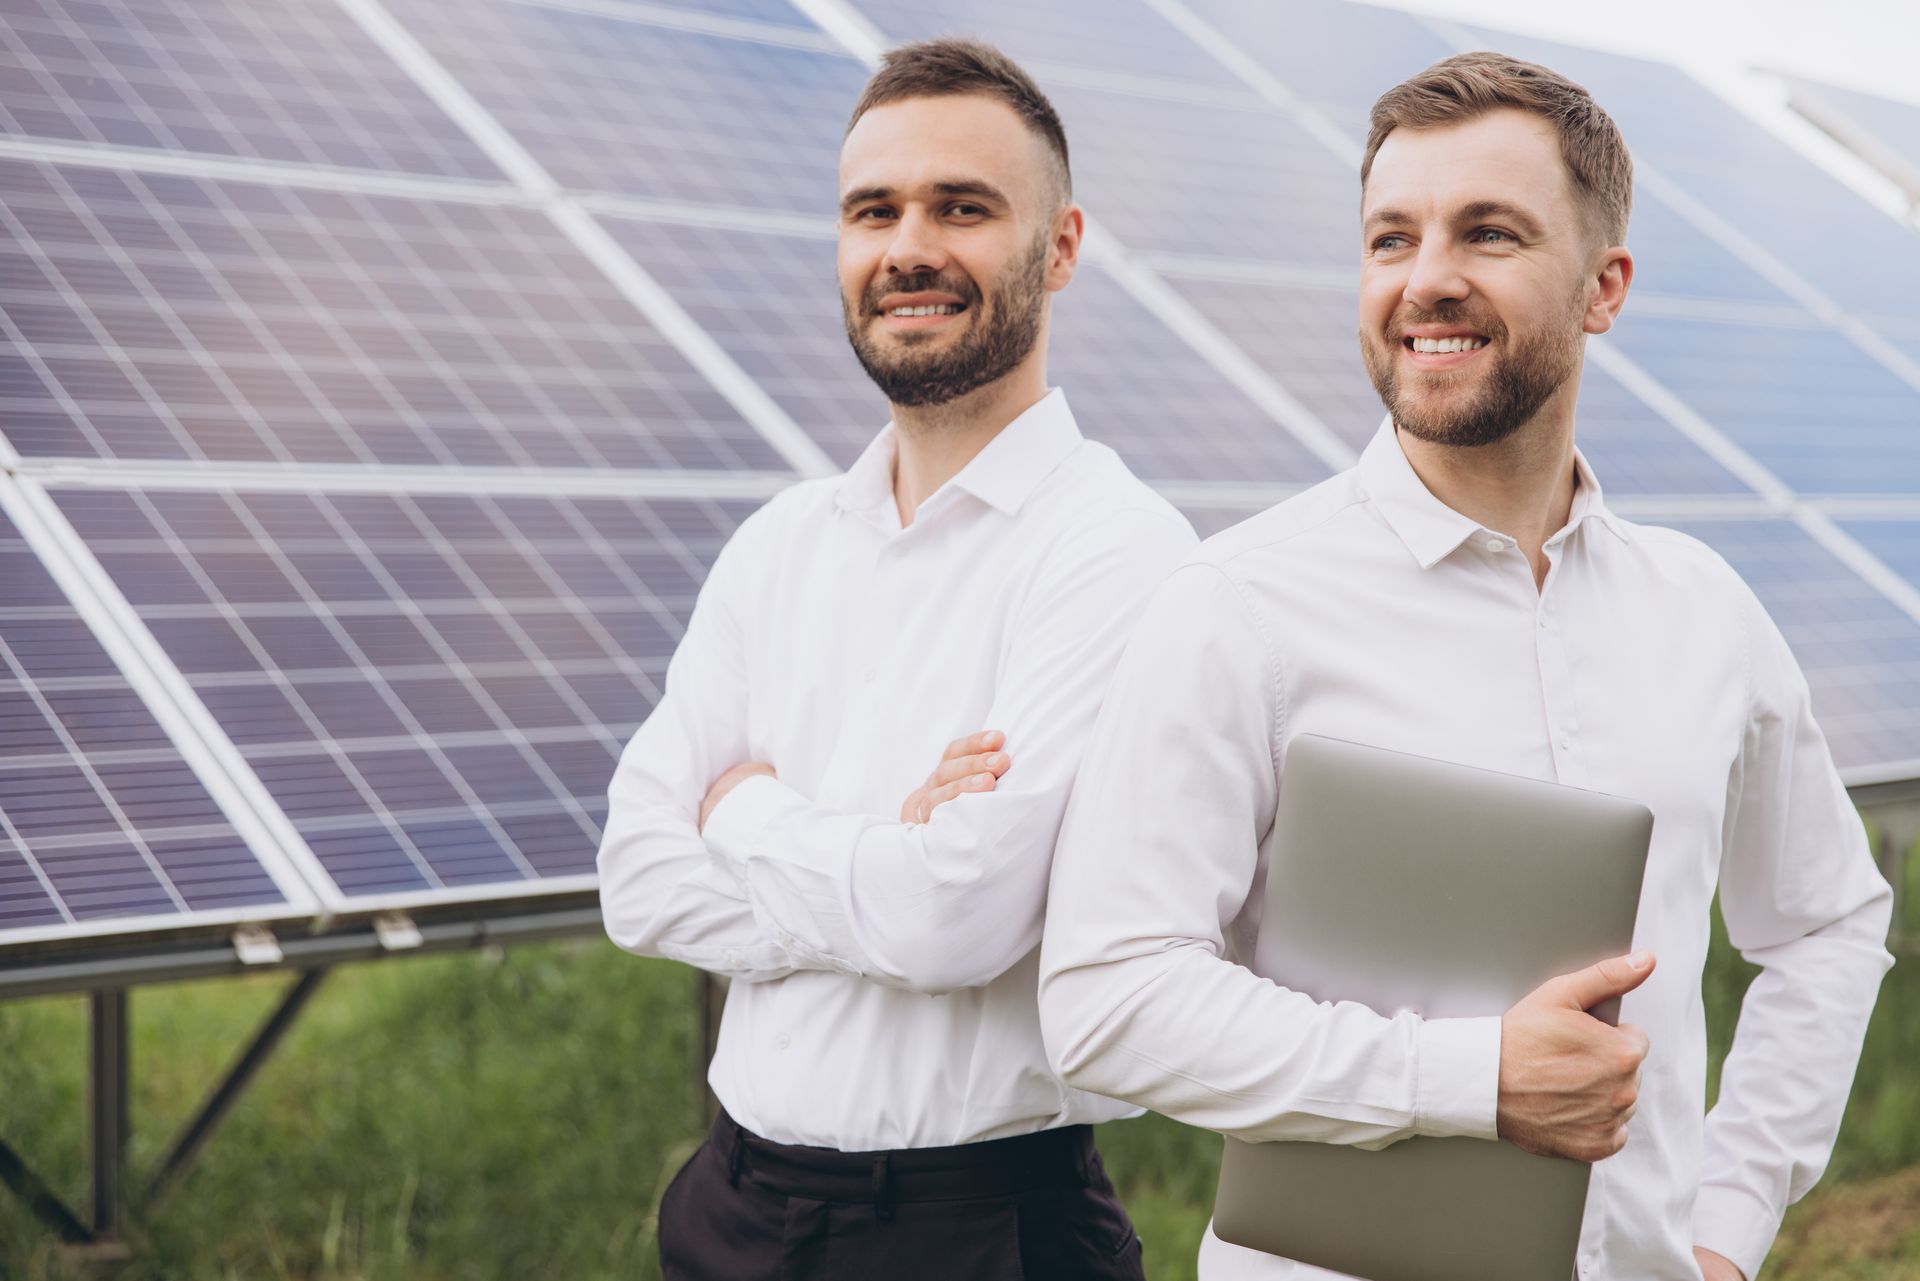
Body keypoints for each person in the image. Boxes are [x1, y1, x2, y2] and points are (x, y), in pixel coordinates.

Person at [1037, 52, 1893, 1281]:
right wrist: (1470, 1079)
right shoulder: (1239, 606)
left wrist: (1729, 1224)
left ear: (1605, 288)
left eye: (1487, 233)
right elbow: (1108, 1000)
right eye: (1392, 239)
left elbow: (1827, 924)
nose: (1426, 280)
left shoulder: (1709, 615)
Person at [596, 37, 1192, 1281]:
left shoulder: (1119, 550)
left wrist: (750, 811)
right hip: (731, 1204)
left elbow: (957, 920)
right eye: (874, 211)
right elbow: (638, 878)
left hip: (979, 1230)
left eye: (962, 207)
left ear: (1062, 247)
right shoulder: (779, 546)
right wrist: (889, 853)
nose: (908, 247)